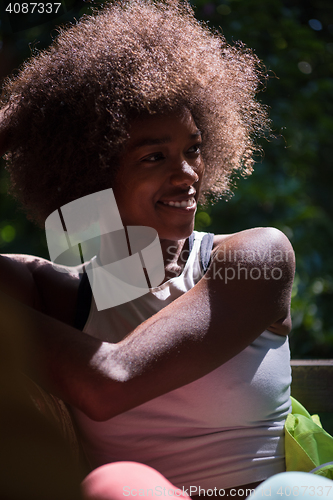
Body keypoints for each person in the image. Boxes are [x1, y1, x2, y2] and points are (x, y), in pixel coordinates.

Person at [1, 0, 324, 498]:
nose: (189, 173)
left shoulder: (254, 258)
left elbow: (111, 381)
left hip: (267, 495)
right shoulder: (62, 293)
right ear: (92, 172)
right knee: (117, 482)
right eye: (155, 156)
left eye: (192, 149)